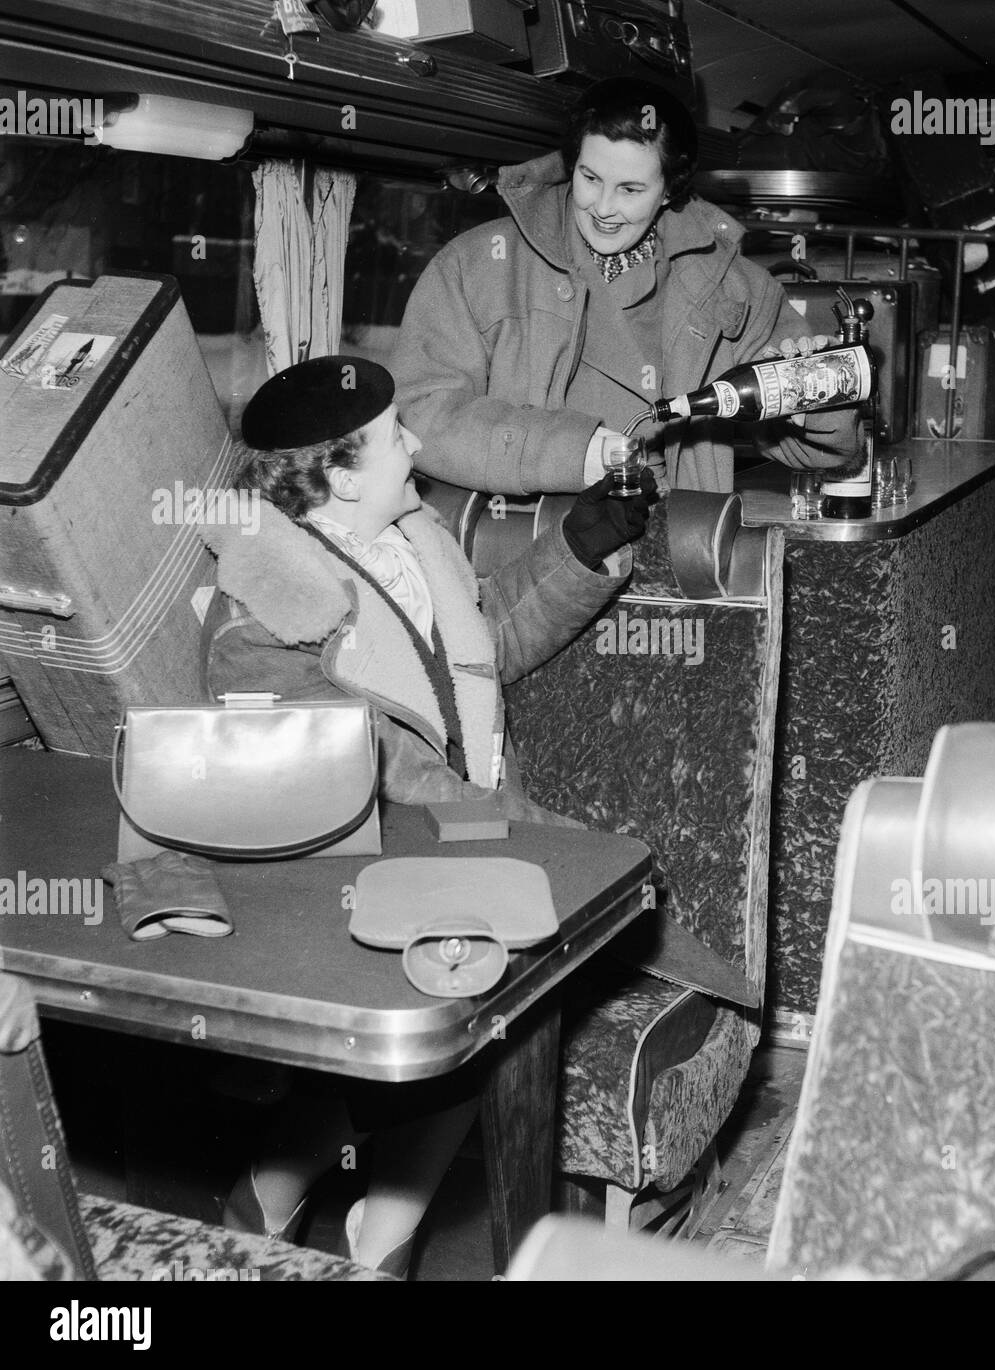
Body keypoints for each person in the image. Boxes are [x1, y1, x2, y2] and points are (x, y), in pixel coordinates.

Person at [200, 354, 654, 1275]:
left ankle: (318, 1210)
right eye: (393, 435)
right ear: (335, 471)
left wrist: (580, 544)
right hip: (348, 877)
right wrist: (513, 831)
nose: (415, 445)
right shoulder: (262, 611)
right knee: (492, 994)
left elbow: (484, 651)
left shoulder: (411, 535)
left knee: (496, 992)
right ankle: (341, 1218)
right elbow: (351, 783)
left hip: (460, 842)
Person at [390, 77, 860, 496]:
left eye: (631, 190)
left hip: (674, 541)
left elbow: (823, 457)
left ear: (670, 190)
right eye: (590, 178)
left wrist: (818, 403)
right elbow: (421, 415)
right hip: (523, 540)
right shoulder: (479, 263)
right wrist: (567, 452)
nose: (603, 207)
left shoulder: (736, 288)